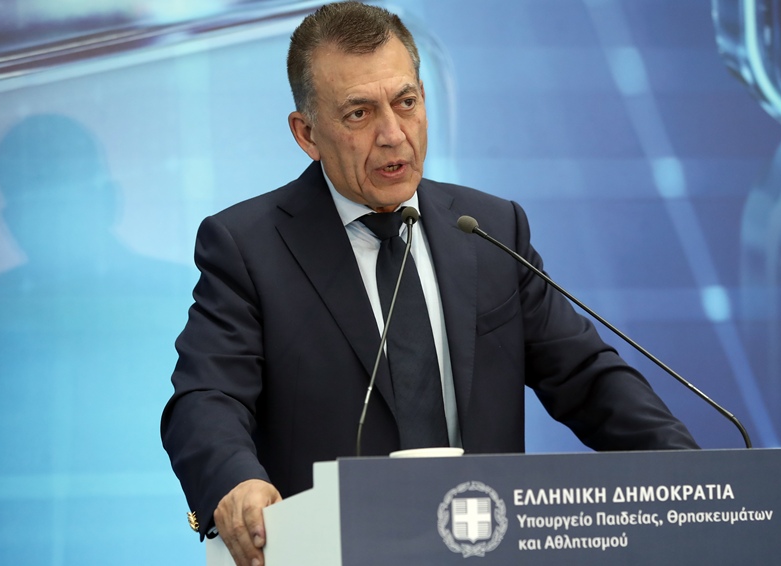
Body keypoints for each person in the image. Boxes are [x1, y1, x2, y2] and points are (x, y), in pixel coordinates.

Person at [161, 2, 698, 565]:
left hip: (485, 544)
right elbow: (206, 398)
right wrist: (236, 481)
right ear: (307, 133)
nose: (393, 135)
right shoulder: (248, 247)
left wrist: (694, 473)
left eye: (406, 103)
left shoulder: (490, 229)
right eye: (359, 114)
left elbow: (586, 378)